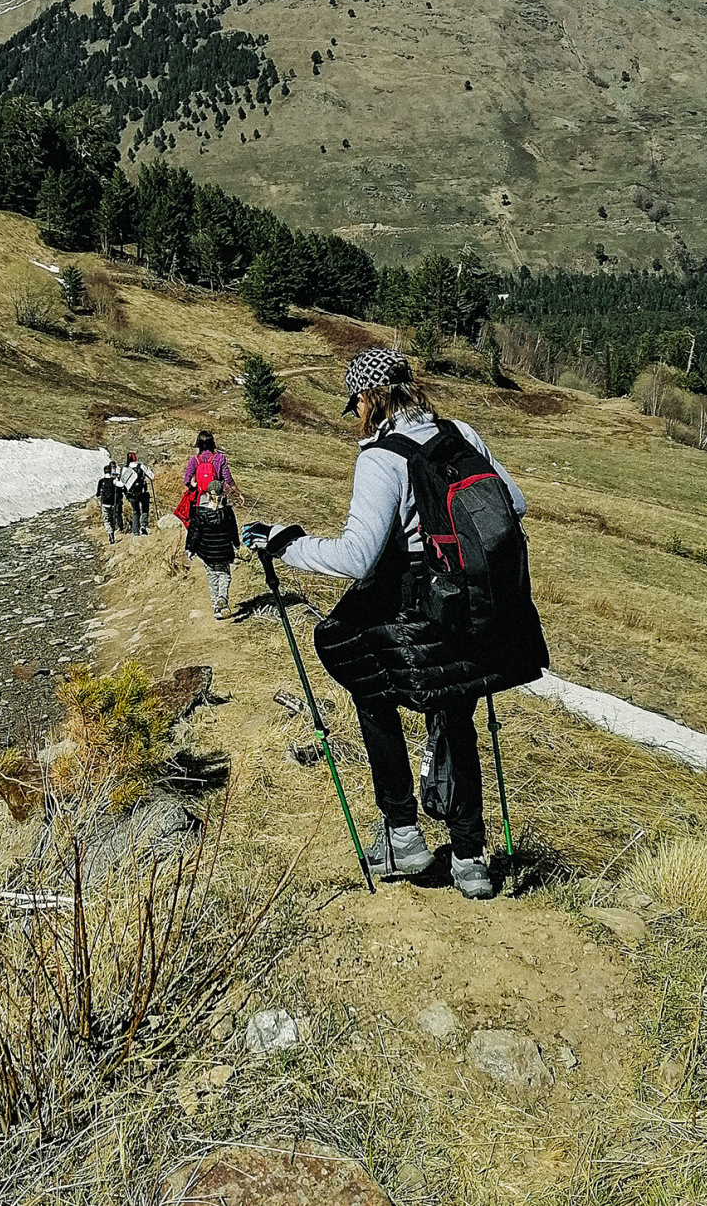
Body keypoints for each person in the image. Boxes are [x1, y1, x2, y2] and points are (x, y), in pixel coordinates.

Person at [243, 348, 546, 901]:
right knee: (456, 712)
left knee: (361, 674)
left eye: (355, 401)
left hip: (414, 605)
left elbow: (359, 556)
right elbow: (515, 504)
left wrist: (287, 543)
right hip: (470, 605)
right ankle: (471, 858)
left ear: (368, 398)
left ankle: (402, 833)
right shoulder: (461, 433)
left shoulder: (380, 458)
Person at [185, 478, 240, 619]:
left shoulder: (199, 514)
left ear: (207, 494)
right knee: (224, 575)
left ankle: (216, 608)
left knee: (212, 577)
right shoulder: (227, 512)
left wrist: (190, 549)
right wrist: (237, 545)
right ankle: (223, 598)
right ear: (223, 495)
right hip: (224, 551)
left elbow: (194, 533)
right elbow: (233, 531)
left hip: (207, 552)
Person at [183, 430, 245, 507]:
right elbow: (228, 479)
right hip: (219, 497)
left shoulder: (195, 460)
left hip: (202, 497)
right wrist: (238, 493)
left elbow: (186, 480)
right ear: (213, 443)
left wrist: (195, 485)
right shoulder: (220, 458)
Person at [120, 452, 155, 536]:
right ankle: (143, 525)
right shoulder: (141, 466)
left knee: (135, 511)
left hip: (131, 494)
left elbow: (122, 483)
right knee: (145, 509)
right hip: (143, 492)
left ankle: (135, 531)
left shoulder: (125, 469)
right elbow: (152, 477)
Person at [96, 462, 121, 542]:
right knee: (113, 519)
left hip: (104, 503)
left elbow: (97, 493)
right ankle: (113, 532)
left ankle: (110, 533)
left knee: (106, 520)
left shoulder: (101, 481)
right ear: (110, 471)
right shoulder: (114, 480)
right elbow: (120, 487)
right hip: (113, 503)